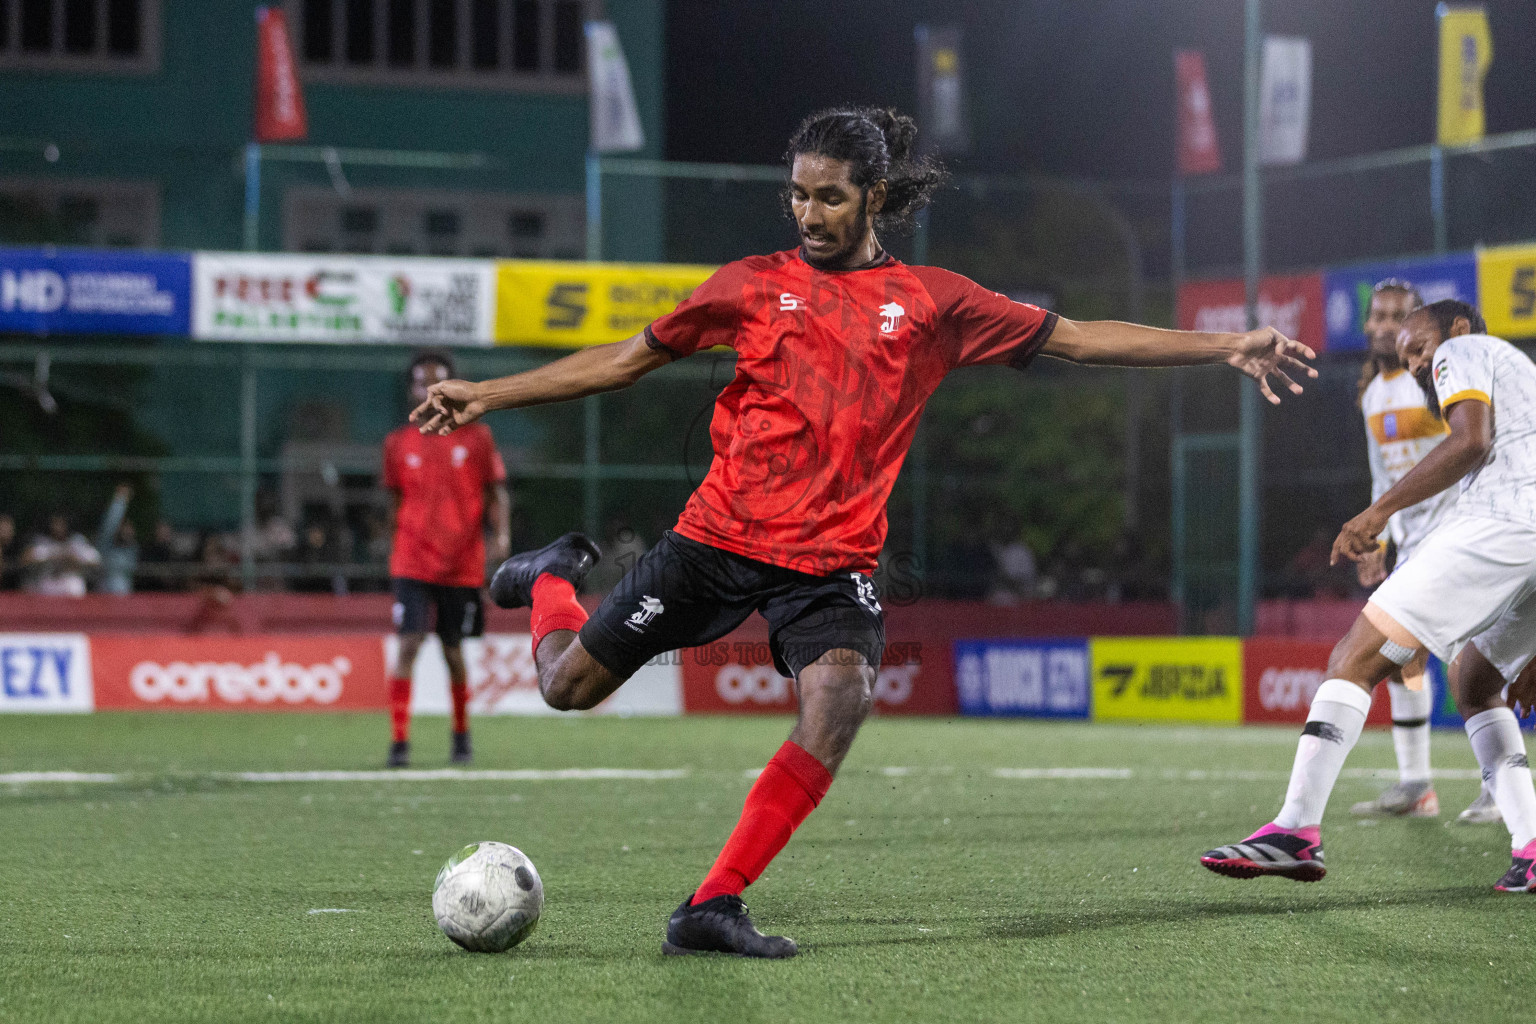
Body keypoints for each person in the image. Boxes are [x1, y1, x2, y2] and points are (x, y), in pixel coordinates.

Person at [412, 107, 1315, 957]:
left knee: (839, 702)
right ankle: (550, 580)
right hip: (715, 542)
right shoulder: (750, 287)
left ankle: (711, 905)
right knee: (565, 689)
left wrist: (1223, 345)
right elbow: (624, 361)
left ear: (873, 197)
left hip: (832, 567)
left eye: (830, 196)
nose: (809, 212)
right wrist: (487, 393)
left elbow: (1079, 338)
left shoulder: (934, 302)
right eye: (798, 194)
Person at [1200, 300, 1536, 892]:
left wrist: (1376, 513)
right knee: (1475, 683)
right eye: (1405, 358)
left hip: (1496, 525)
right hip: (1523, 541)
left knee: (1355, 656)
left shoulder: (1464, 349)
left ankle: (1294, 830)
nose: (1414, 364)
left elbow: (1471, 442)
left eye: (1419, 347)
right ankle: (1531, 844)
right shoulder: (1521, 377)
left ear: (1457, 329)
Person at [1349, 280, 1498, 823]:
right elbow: (1381, 474)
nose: (1387, 326)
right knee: (1403, 660)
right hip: (1411, 547)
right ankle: (1418, 786)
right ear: (1367, 325)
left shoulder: (1436, 376)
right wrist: (1377, 540)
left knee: (1469, 666)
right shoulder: (1373, 395)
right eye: (1379, 316)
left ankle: (1500, 787)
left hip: (1462, 536)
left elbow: (1477, 441)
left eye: (1399, 317)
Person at [383, 351, 510, 768]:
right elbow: (393, 502)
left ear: (452, 386)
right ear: (411, 390)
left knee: (453, 651)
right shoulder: (397, 443)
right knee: (408, 645)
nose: (428, 389)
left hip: (461, 563)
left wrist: (501, 533)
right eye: (421, 382)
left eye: (437, 381)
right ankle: (399, 743)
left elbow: (496, 492)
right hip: (412, 562)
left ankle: (461, 735)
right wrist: (392, 545)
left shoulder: (477, 438)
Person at [21, 514, 100, 597]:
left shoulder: (77, 541)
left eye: (61, 524)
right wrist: (51, 557)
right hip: (48, 580)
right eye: (55, 524)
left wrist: (74, 560)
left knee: (75, 586)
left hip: (70, 580)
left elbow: (96, 561)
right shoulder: (43, 542)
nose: (57, 528)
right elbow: (25, 559)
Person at [95, 484, 139, 595]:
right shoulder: (106, 544)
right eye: (124, 528)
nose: (127, 532)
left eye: (130, 530)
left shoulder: (133, 548)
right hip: (105, 594)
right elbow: (111, 524)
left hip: (125, 597)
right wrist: (120, 501)